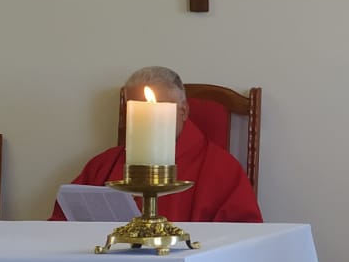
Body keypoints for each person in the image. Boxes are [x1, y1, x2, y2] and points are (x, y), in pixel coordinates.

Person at [50, 66, 262, 223]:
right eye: (138, 111)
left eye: (158, 109)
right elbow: (62, 226)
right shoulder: (103, 165)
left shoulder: (223, 170)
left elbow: (243, 237)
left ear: (183, 111)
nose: (148, 120)